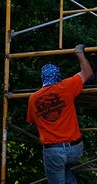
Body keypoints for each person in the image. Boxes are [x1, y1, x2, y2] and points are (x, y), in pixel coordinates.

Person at [27, 44, 93, 184]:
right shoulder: (66, 86)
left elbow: (33, 121)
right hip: (75, 149)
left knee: (57, 168)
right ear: (58, 76)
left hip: (54, 151)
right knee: (66, 174)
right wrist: (79, 53)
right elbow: (87, 73)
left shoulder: (33, 98)